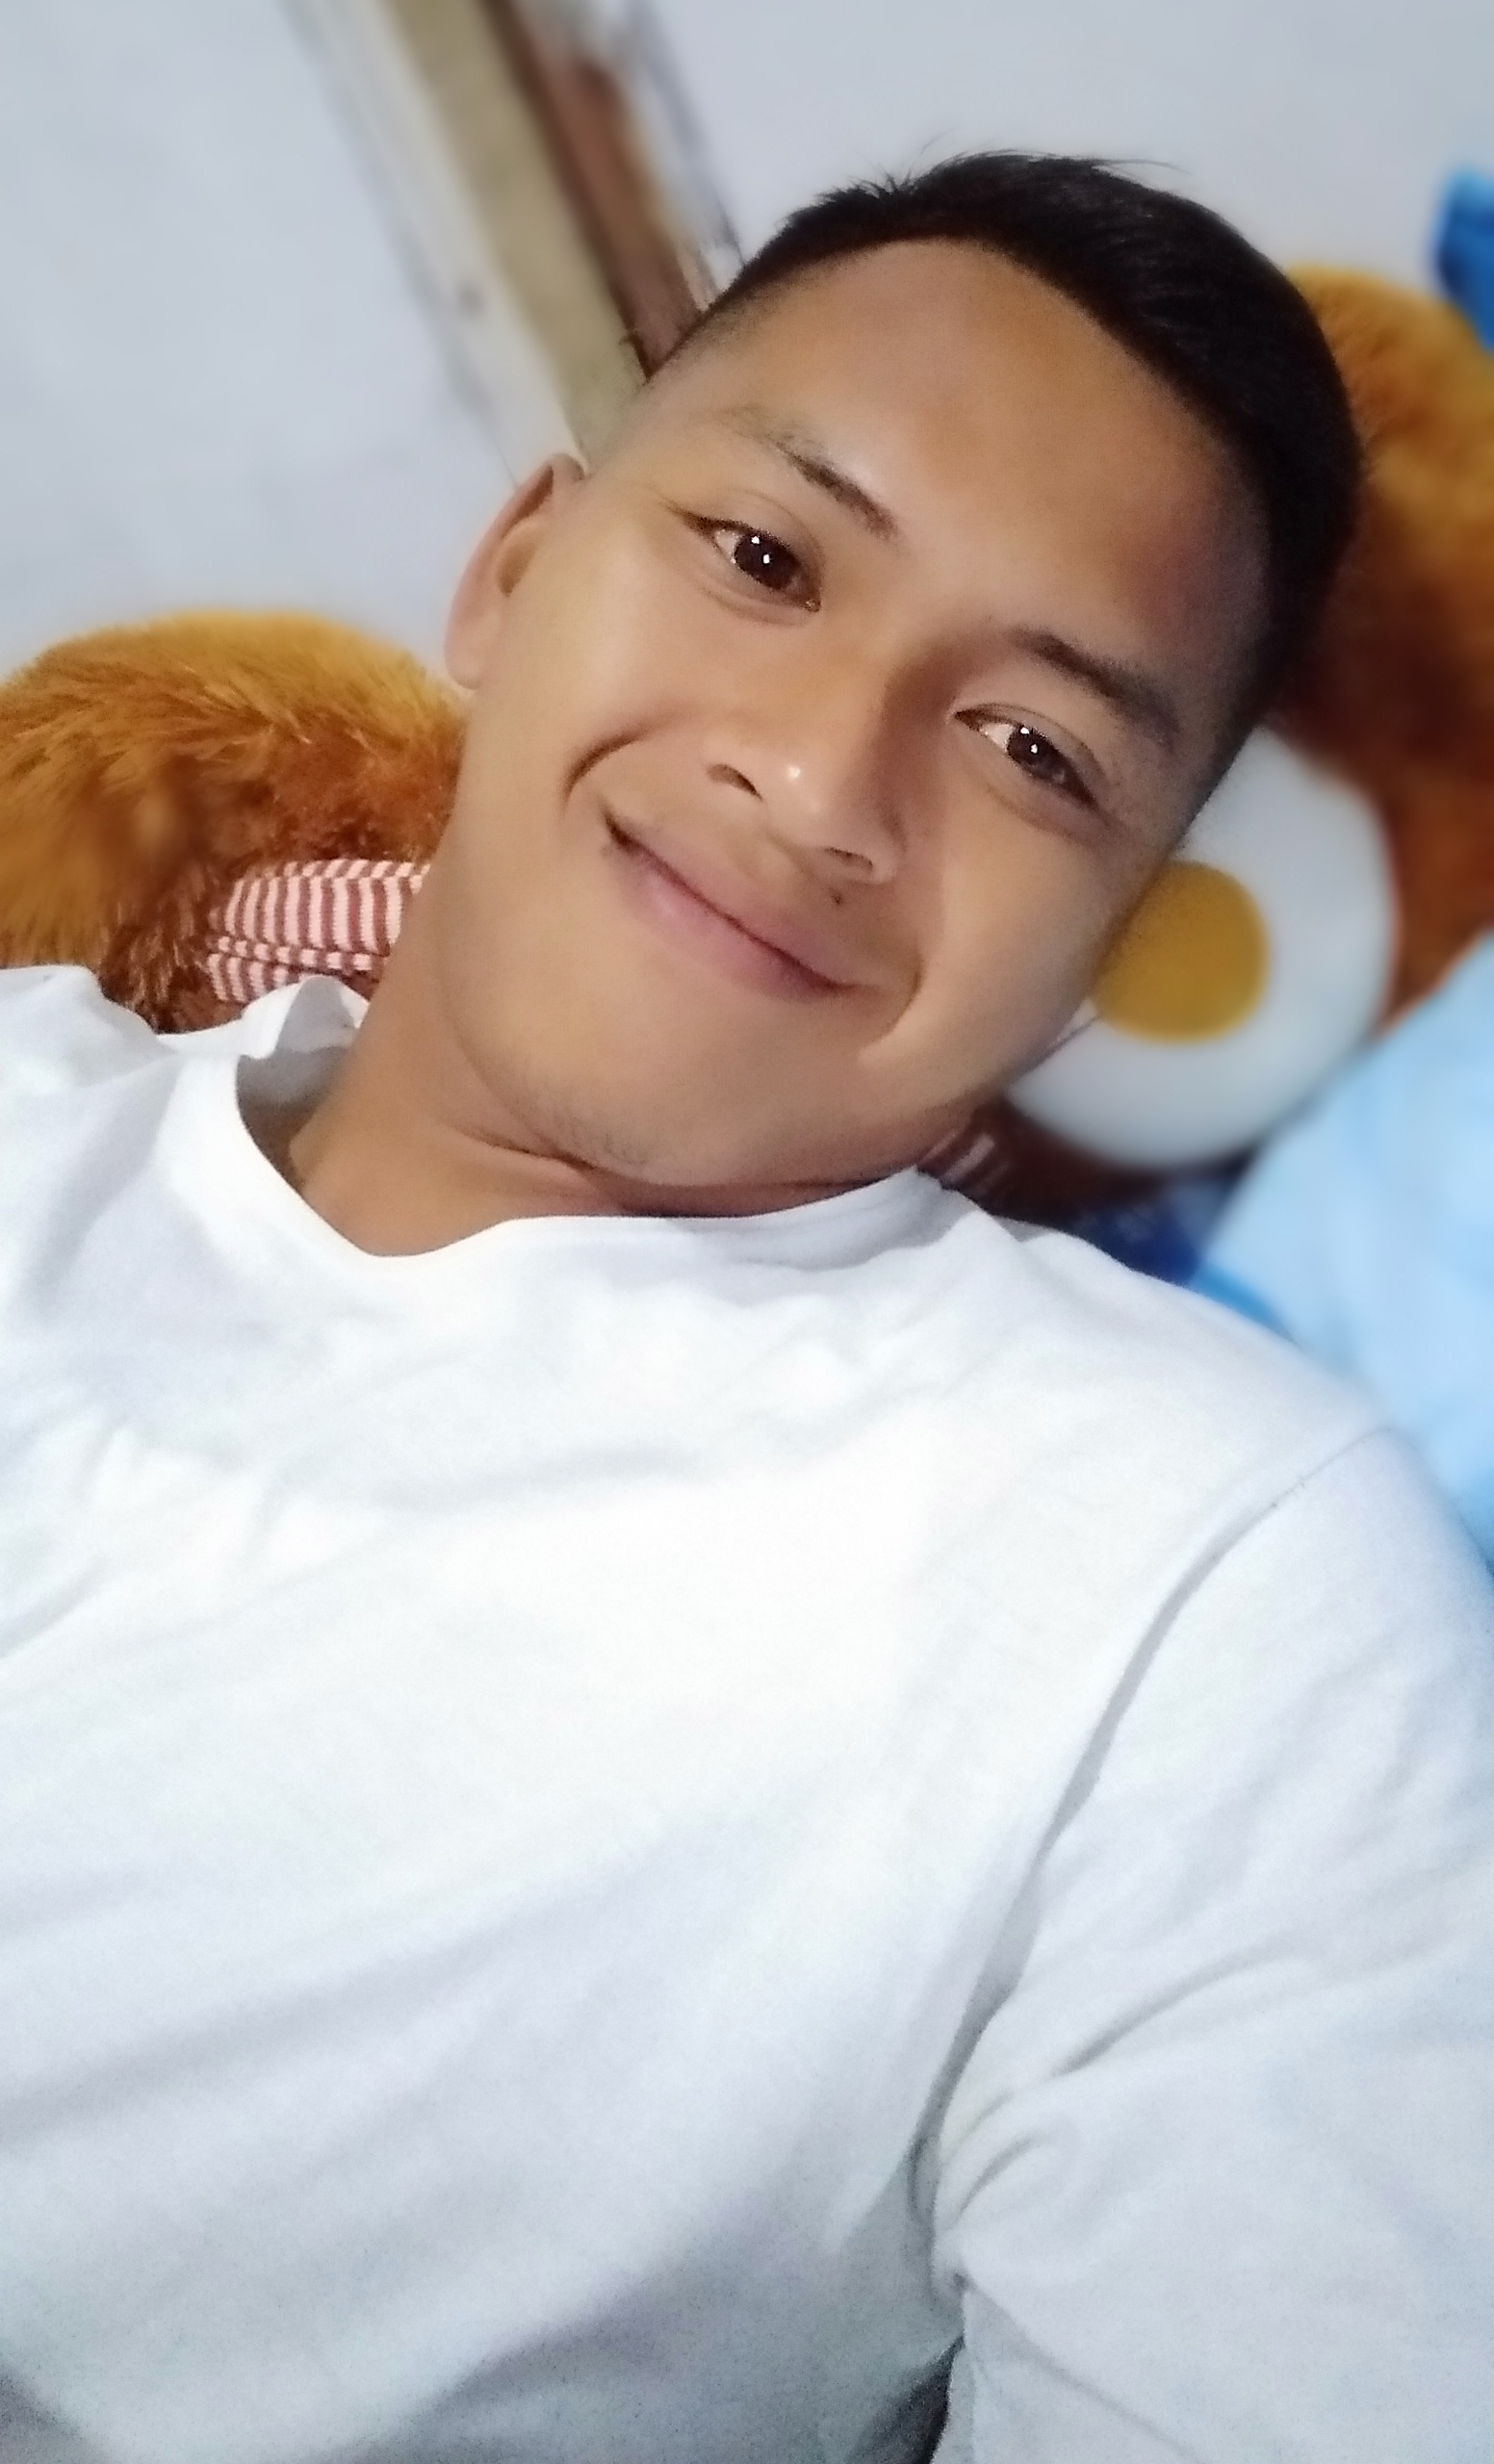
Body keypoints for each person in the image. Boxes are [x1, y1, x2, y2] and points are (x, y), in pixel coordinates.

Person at [1, 154, 1490, 2464]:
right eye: (766, 561)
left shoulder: (1204, 1584)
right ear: (512, 572)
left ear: (1103, 956)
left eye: (1035, 751)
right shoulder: (34, 1099)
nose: (814, 781)